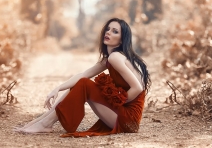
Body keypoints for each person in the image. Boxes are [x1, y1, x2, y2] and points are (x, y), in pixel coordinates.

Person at [14, 17, 151, 137]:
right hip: (121, 115)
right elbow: (83, 74)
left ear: (121, 41)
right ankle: (40, 122)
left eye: (115, 31)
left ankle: (45, 124)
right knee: (80, 82)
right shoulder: (109, 59)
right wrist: (57, 88)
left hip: (128, 120)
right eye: (108, 29)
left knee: (84, 84)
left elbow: (137, 88)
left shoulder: (116, 57)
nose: (108, 32)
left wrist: (117, 100)